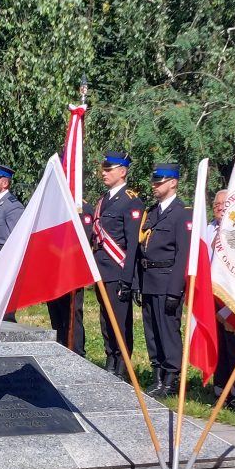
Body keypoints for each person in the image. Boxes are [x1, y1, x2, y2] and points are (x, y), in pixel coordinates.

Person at [136, 163, 190, 397]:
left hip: (168, 281)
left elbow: (182, 255)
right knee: (152, 333)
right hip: (149, 280)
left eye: (159, 182)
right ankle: (157, 375)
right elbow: (141, 251)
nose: (154, 186)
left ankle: (170, 380)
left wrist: (175, 290)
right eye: (154, 182)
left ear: (173, 183)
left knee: (168, 332)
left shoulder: (181, 213)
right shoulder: (153, 212)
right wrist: (139, 283)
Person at [90, 151, 144, 377]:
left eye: (108, 169)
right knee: (105, 319)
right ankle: (110, 358)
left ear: (122, 172)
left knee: (120, 321)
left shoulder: (131, 201)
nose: (103, 172)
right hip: (101, 269)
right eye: (103, 168)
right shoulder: (103, 200)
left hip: (118, 269)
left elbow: (133, 246)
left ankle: (122, 364)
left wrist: (128, 279)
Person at [209, 189, 235, 413]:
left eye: (225, 204)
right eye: (216, 203)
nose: (219, 207)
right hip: (211, 299)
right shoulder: (207, 229)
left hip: (234, 302)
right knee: (218, 350)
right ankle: (220, 394)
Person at [46, 201, 93, 357]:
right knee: (56, 312)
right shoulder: (54, 204)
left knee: (72, 313)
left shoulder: (81, 206)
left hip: (71, 270)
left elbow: (84, 239)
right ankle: (60, 347)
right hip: (53, 268)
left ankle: (77, 352)